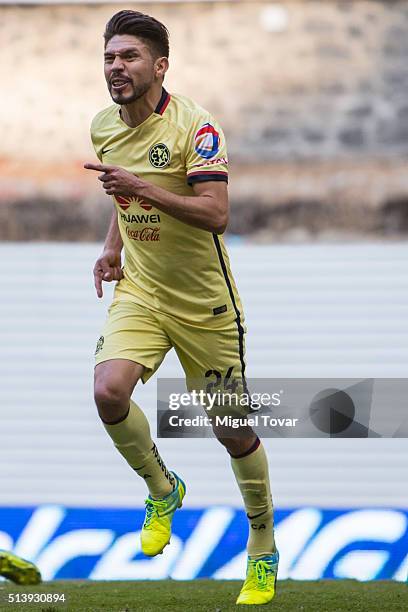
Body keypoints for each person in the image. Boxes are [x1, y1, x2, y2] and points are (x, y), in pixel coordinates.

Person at [85, 10, 279, 605]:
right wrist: (112, 247)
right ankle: (162, 488)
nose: (117, 67)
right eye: (111, 57)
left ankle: (263, 548)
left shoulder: (197, 127)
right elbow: (122, 195)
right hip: (142, 292)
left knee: (233, 430)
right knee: (108, 391)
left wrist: (141, 188)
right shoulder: (102, 126)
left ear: (159, 66)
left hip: (206, 307)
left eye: (130, 57)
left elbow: (216, 214)